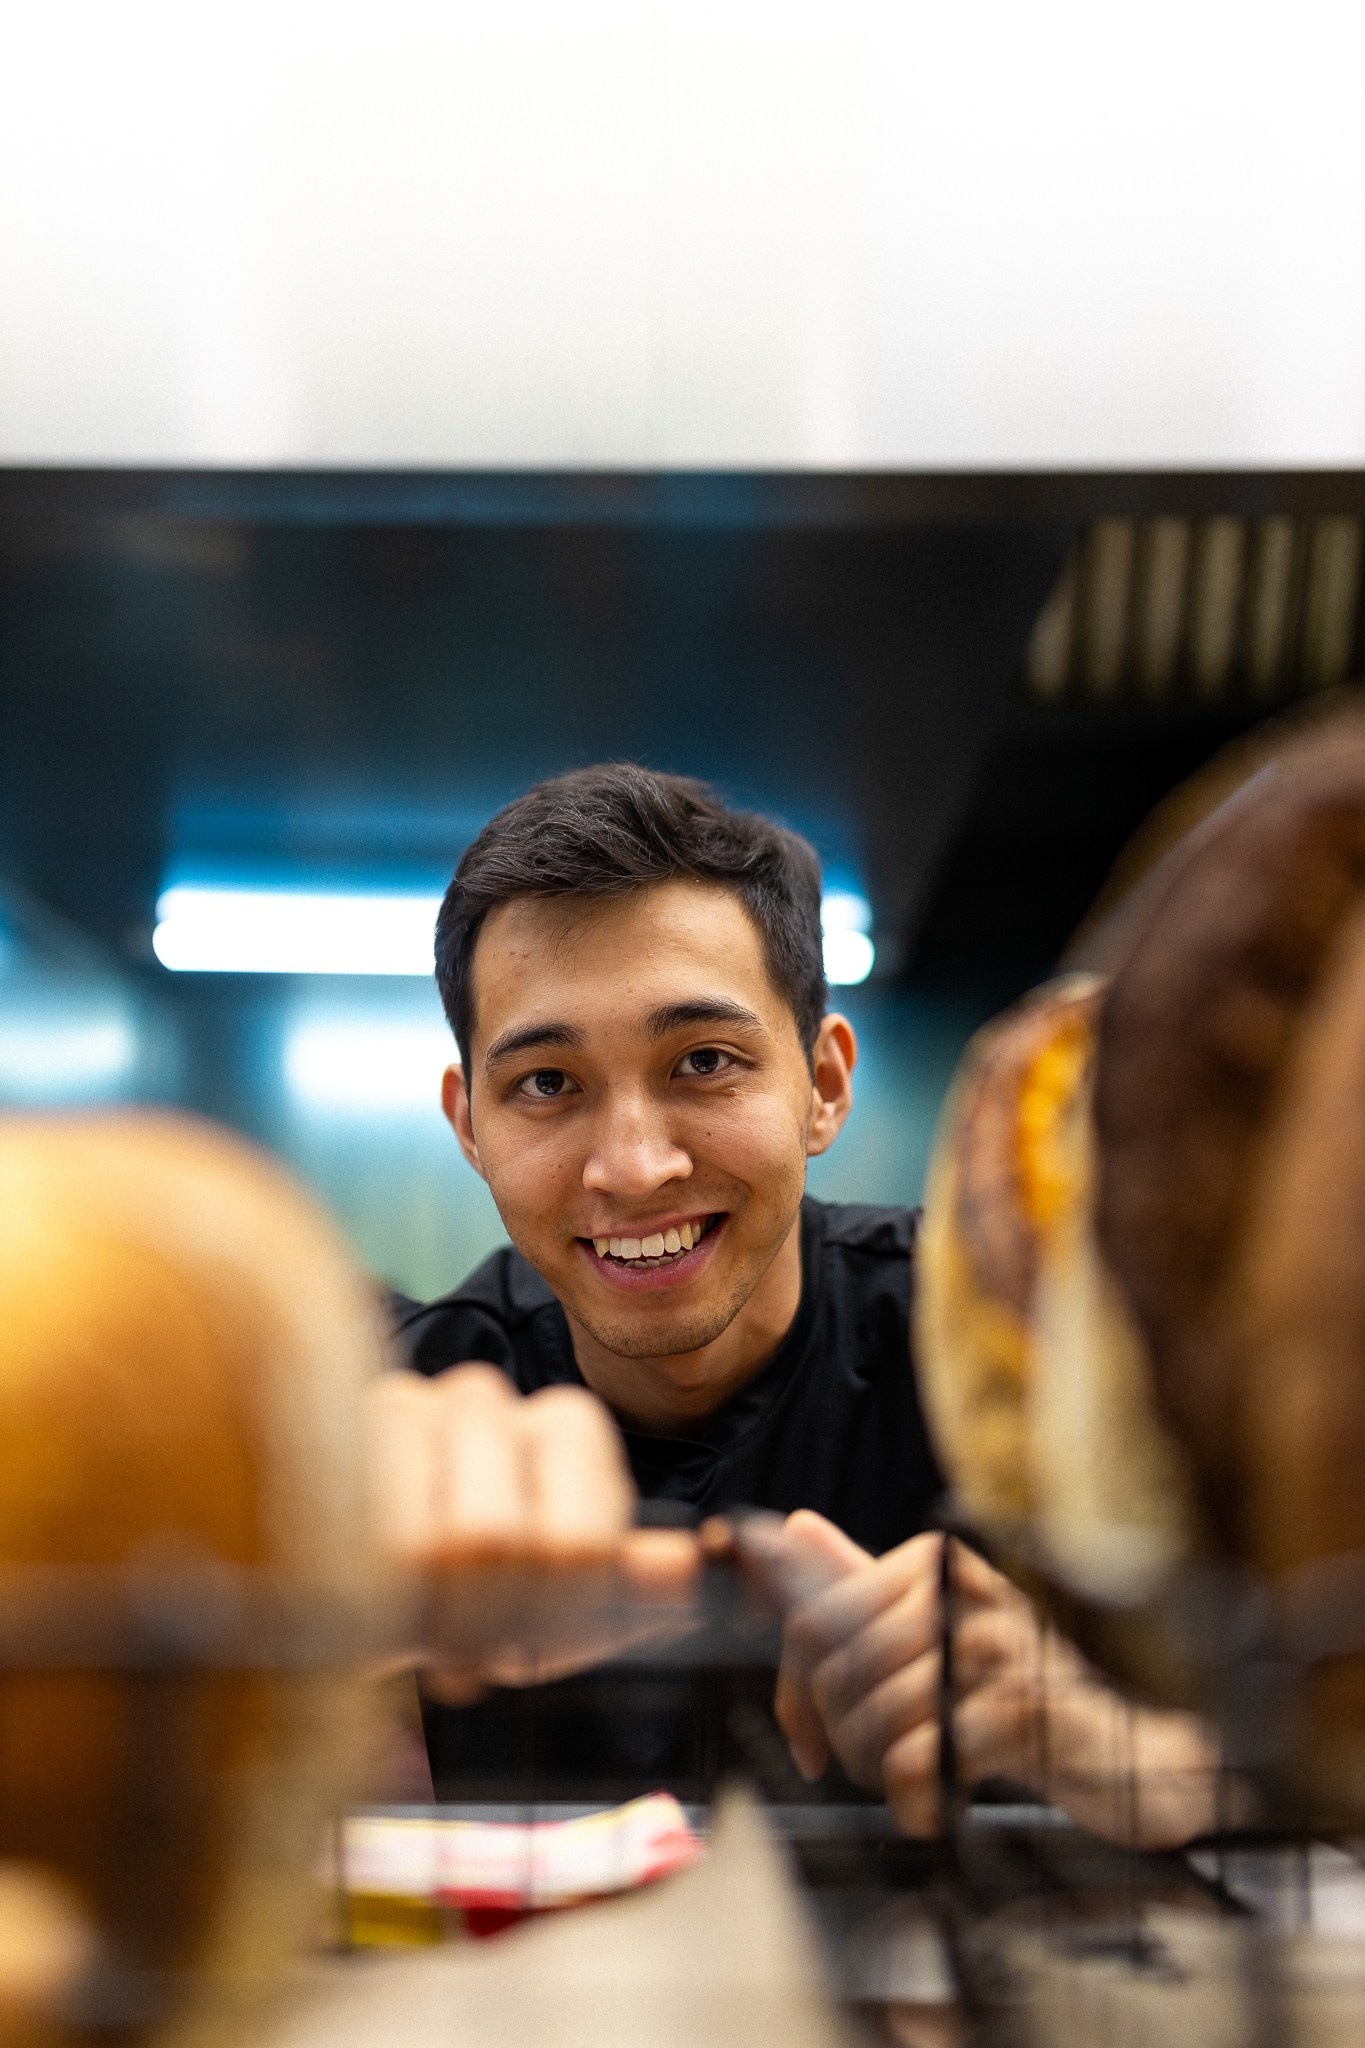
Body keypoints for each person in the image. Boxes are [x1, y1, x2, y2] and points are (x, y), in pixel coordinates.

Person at [373, 763, 1224, 1842]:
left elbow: (1297, 1757)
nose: (633, 1167)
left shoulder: (1024, 1353)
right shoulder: (411, 1394)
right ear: (469, 1124)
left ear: (822, 1084)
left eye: (705, 1061)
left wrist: (1118, 1744)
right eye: (546, 1082)